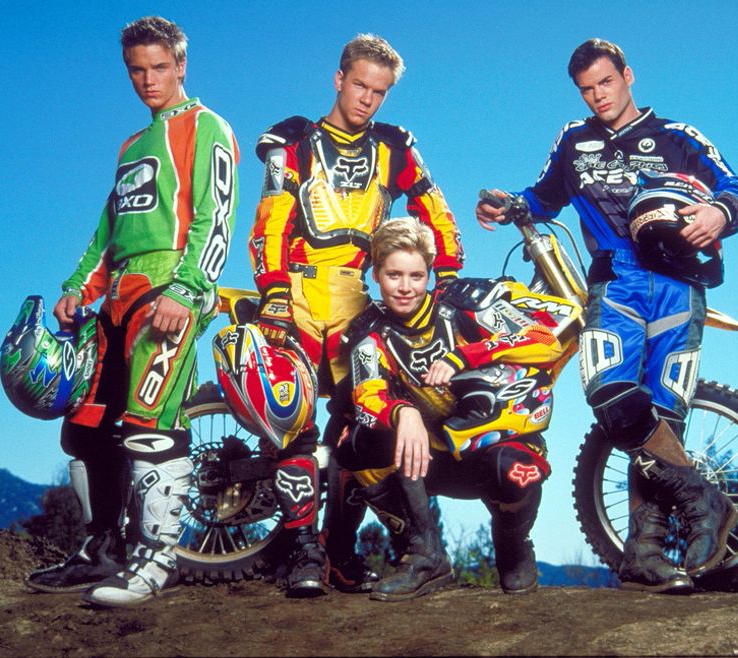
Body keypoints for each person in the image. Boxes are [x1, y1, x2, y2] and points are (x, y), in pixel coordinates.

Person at [475, 38, 738, 593]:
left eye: (606, 82)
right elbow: (544, 196)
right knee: (608, 388)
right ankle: (704, 501)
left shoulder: (679, 136)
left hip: (679, 279)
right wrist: (509, 206)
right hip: (615, 276)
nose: (598, 96)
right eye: (587, 89)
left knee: (665, 411)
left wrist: (720, 214)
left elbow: (736, 190)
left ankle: (644, 551)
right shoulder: (574, 141)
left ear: (628, 75)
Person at [24, 16, 239, 607]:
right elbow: (107, 230)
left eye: (159, 67)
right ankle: (103, 549)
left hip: (169, 288)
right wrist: (78, 287)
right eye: (136, 70)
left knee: (149, 425)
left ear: (181, 65)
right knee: (87, 426)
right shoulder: (129, 145)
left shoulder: (207, 125)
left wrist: (188, 290)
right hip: (118, 294)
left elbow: (216, 215)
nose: (148, 80)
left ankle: (155, 561)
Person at [249, 34, 464, 596]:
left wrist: (447, 273)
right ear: (339, 78)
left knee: (361, 421)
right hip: (297, 289)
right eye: (360, 85)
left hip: (356, 297)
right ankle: (301, 552)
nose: (368, 99)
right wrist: (273, 291)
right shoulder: (293, 140)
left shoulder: (395, 147)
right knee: (292, 418)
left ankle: (340, 552)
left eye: (380, 91)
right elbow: (271, 217)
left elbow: (434, 207)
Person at [337, 217, 572, 600]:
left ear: (429, 274)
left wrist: (466, 354)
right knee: (356, 444)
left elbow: (546, 339)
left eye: (416, 275)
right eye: (394, 275)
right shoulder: (369, 337)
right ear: (376, 274)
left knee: (515, 471)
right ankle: (425, 555)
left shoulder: (465, 303)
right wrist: (403, 412)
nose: (405, 287)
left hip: (495, 444)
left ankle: (513, 545)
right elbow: (367, 395)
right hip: (429, 460)